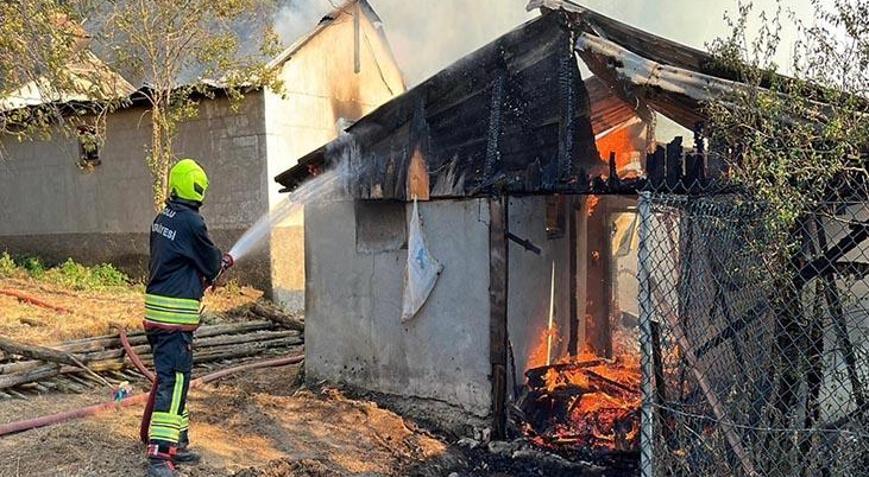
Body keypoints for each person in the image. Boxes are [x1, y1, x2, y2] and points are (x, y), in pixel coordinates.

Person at [143, 159, 232, 477]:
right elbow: (210, 264)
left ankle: (176, 443)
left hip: (156, 313)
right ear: (198, 188)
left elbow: (178, 260)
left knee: (174, 380)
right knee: (175, 380)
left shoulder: (162, 217)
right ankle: (159, 456)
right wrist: (223, 261)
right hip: (174, 318)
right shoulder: (192, 223)